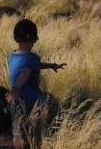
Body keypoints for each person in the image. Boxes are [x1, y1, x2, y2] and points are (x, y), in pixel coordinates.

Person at [6, 19, 66, 149]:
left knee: (17, 134)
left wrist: (51, 65)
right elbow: (26, 72)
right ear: (34, 39)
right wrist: (16, 88)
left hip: (15, 101)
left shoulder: (12, 55)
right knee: (35, 135)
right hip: (33, 103)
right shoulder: (32, 58)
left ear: (16, 38)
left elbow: (32, 66)